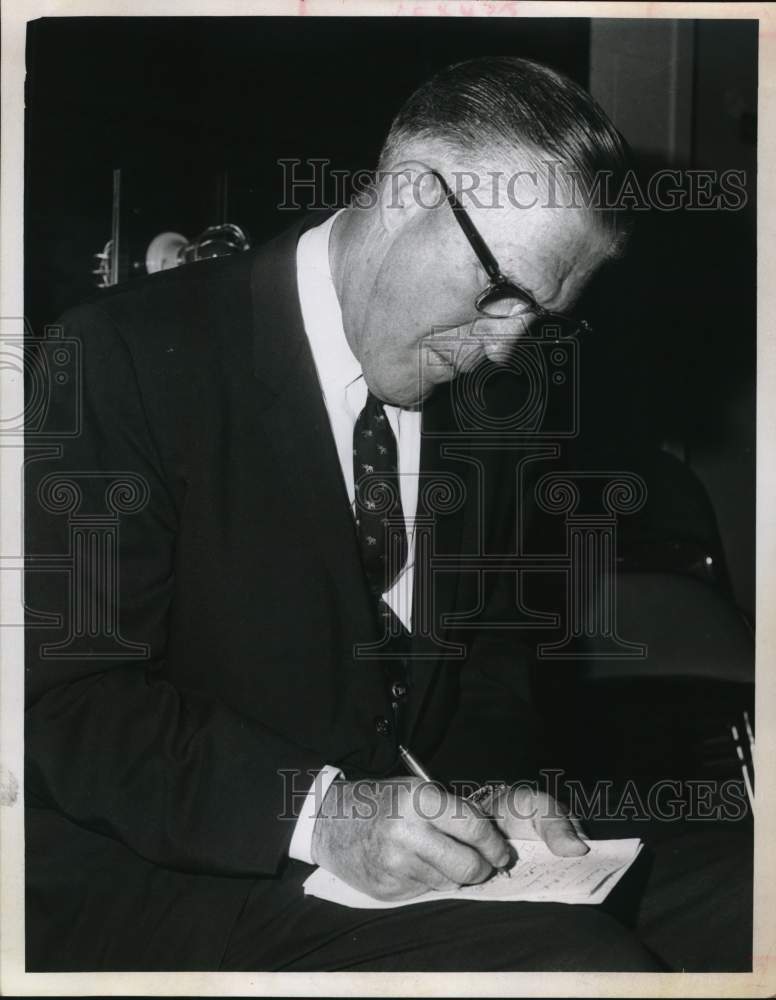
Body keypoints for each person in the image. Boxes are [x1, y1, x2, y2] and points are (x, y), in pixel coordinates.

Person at [24, 56, 751, 972]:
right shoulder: (120, 355)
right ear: (409, 191)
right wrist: (326, 814)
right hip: (179, 876)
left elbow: (487, 657)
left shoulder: (494, 396)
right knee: (573, 963)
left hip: (411, 867)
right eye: (502, 295)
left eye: (543, 319)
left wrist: (494, 788)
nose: (503, 348)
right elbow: (66, 704)